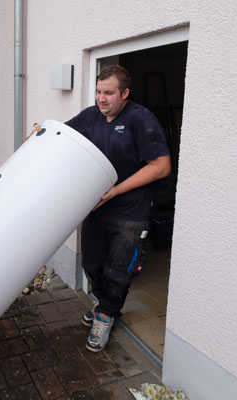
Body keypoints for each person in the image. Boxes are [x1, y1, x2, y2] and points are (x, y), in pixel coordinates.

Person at [65, 65, 171, 352]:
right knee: (92, 263)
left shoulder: (140, 119)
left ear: (124, 93)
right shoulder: (90, 116)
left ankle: (107, 314)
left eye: (109, 93)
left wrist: (116, 190)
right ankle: (106, 306)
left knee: (118, 271)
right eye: (99, 92)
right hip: (98, 208)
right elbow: (61, 137)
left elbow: (161, 166)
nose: (101, 99)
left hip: (131, 213)